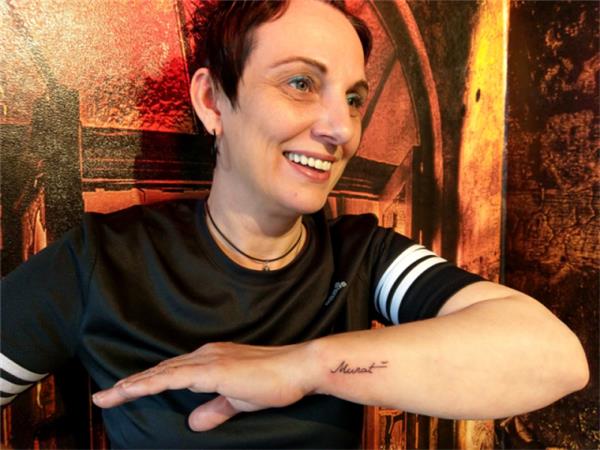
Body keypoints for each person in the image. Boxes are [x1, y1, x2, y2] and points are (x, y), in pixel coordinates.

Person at [1, 0, 589, 448]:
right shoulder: (104, 262)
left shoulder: (363, 256)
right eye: (301, 83)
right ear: (212, 101)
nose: (342, 129)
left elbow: (553, 357)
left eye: (354, 99)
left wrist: (304, 366)